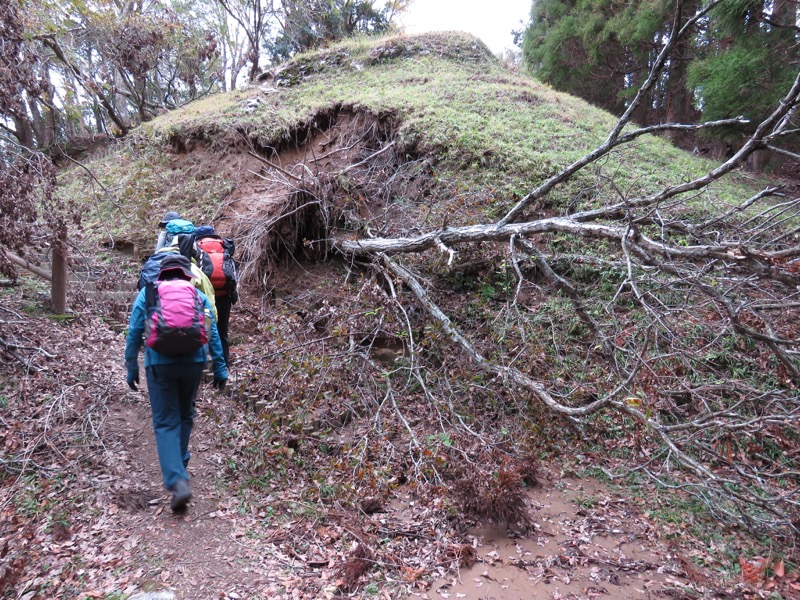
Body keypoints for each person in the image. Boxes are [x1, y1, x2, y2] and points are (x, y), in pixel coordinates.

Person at [125, 254, 227, 511]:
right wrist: (220, 367)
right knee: (184, 415)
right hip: (193, 363)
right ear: (186, 275)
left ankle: (177, 479)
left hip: (160, 363)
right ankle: (180, 464)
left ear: (162, 273)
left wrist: (131, 367)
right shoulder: (196, 295)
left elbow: (135, 331)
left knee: (165, 421)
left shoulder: (149, 293)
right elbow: (211, 330)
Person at [195, 225, 238, 366]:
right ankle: (223, 365)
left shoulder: (197, 248)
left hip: (204, 296)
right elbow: (233, 272)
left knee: (203, 330)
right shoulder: (224, 247)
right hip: (224, 295)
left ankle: (204, 365)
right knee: (222, 332)